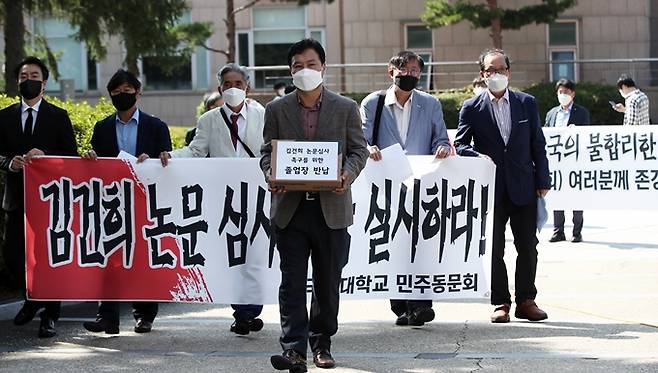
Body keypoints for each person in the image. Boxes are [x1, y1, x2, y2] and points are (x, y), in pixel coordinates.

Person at [261, 38, 368, 372]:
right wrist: (270, 173)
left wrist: (345, 176)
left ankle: (322, 344)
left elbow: (359, 151)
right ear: (290, 71)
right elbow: (268, 152)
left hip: (331, 209)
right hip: (290, 210)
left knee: (326, 281)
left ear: (323, 67)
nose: (303, 71)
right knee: (291, 281)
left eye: (310, 64)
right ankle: (293, 349)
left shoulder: (345, 107)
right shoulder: (276, 109)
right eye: (296, 66)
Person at [160, 63, 266, 335]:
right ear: (220, 88)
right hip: (224, 198)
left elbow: (270, 150)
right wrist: (170, 156)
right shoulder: (208, 120)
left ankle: (249, 310)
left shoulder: (261, 115)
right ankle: (242, 312)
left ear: (248, 88)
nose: (233, 89)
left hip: (256, 197)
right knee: (232, 255)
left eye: (238, 84)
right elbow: (195, 152)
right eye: (227, 84)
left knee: (254, 255)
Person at [454, 49, 551, 324]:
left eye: (501, 69)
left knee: (528, 246)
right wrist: (477, 156)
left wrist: (543, 179)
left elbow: (537, 143)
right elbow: (460, 144)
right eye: (490, 70)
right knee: (494, 249)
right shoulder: (471, 108)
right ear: (482, 74)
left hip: (524, 186)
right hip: (490, 190)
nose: (496, 75)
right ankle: (500, 302)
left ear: (509, 72)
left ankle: (526, 300)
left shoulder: (526, 103)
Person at [360, 50, 451, 327]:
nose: (409, 75)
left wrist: (443, 148)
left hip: (422, 186)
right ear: (391, 72)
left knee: (421, 243)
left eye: (415, 71)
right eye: (404, 70)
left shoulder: (430, 103)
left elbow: (442, 138)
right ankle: (401, 306)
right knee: (393, 243)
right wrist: (368, 148)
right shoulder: (373, 103)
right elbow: (359, 139)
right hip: (386, 186)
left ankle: (421, 304)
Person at [82, 69, 171, 335]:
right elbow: (95, 163)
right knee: (108, 259)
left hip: (145, 203)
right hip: (111, 203)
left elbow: (168, 162)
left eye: (127, 91)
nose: (122, 96)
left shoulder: (156, 126)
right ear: (110, 96)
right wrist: (89, 156)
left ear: (138, 93)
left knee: (142, 259)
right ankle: (106, 317)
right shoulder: (103, 127)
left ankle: (144, 315)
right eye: (117, 92)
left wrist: (157, 160)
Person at [0, 56, 78, 338]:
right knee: (13, 258)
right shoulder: (4, 116)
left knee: (47, 258)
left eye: (33, 75)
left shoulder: (58, 116)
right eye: (23, 76)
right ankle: (32, 298)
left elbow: (71, 156)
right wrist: (10, 162)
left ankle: (50, 315)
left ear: (44, 83)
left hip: (50, 202)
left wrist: (46, 157)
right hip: (16, 198)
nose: (28, 80)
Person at [544, 78, 590, 243]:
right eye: (560, 92)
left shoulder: (581, 112)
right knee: (558, 197)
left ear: (573, 94)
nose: (563, 95)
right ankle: (558, 231)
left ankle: (577, 232)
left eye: (566, 92)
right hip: (556, 162)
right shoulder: (551, 113)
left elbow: (587, 136)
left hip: (575, 161)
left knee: (576, 196)